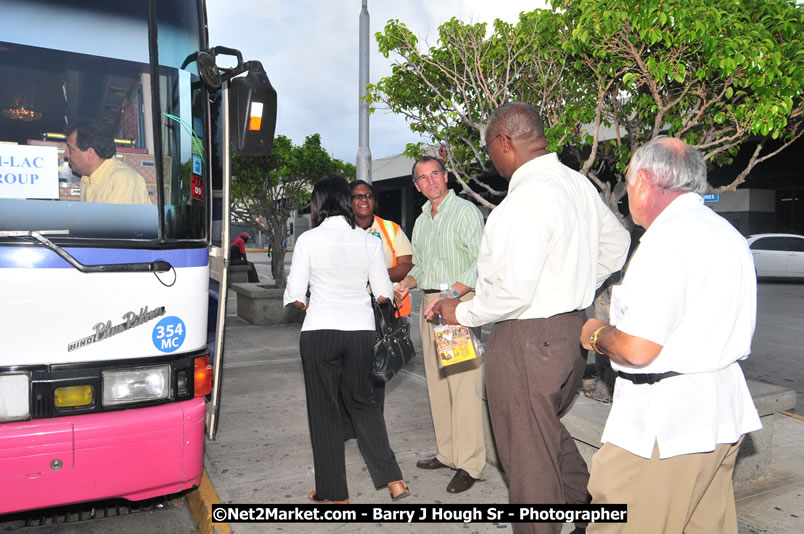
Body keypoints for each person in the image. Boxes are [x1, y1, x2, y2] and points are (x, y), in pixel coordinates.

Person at [429, 102, 630, 534]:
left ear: (505, 142)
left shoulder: (523, 201)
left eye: (491, 149)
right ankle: (586, 508)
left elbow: (512, 293)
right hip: (570, 333)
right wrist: (569, 282)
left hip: (527, 340)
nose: (492, 160)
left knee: (525, 459)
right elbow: (617, 244)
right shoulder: (577, 185)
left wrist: (460, 311)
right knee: (542, 434)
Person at [578, 137, 761, 533]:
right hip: (720, 415)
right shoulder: (726, 233)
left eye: (627, 181)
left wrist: (596, 334)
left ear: (643, 181)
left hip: (665, 426)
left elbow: (638, 348)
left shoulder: (666, 240)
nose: (627, 191)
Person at [283, 174, 410, 503]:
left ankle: (335, 493)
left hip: (320, 332)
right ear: (346, 202)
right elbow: (383, 294)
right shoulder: (369, 242)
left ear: (318, 204)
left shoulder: (308, 240)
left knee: (324, 412)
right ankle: (394, 480)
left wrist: (314, 304)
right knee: (365, 404)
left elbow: (296, 296)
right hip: (360, 334)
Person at [394, 155, 486, 494]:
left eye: (435, 174)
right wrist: (408, 283)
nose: (430, 181)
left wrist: (448, 297)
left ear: (445, 176)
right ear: (416, 185)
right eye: (423, 177)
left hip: (454, 308)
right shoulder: (421, 220)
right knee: (438, 384)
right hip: (429, 306)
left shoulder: (465, 213)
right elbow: (420, 265)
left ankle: (471, 463)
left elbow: (480, 263)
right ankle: (448, 453)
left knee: (462, 386)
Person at [348, 179, 413, 411]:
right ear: (349, 201)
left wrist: (374, 276)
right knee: (350, 370)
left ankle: (373, 420)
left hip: (381, 309)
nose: (364, 200)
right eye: (357, 196)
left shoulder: (390, 229)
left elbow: (406, 264)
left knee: (377, 369)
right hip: (350, 308)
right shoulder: (341, 231)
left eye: (368, 195)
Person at [64, 122, 150, 205]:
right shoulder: (86, 180)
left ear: (90, 153)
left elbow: (117, 219)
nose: (66, 154)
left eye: (71, 149)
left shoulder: (122, 179)